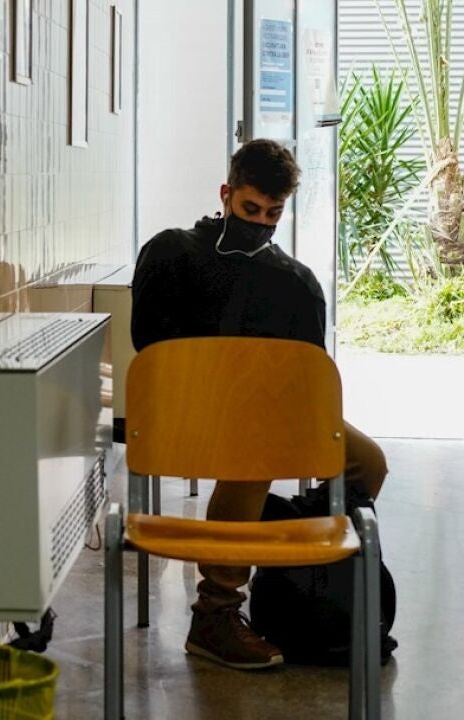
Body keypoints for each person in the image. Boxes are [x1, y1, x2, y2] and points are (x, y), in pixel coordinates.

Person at [131, 139, 389, 670]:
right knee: (257, 447)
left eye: (274, 213)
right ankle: (215, 613)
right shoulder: (171, 253)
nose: (261, 223)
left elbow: (308, 378)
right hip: (189, 412)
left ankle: (294, 562)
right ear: (225, 193)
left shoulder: (295, 282)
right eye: (251, 208)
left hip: (265, 412)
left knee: (368, 462)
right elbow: (150, 347)